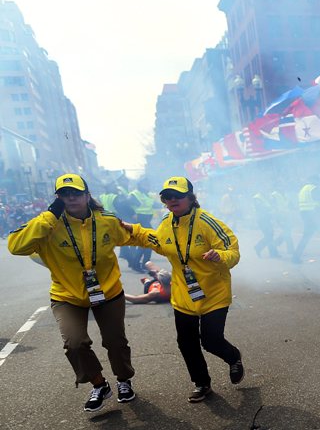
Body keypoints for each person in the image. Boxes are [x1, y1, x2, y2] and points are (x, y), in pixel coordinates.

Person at [7, 173, 145, 412]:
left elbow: (134, 235)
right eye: (64, 194)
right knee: (74, 344)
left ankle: (124, 381)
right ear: (58, 199)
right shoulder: (48, 223)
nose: (71, 198)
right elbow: (16, 246)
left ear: (87, 195)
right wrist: (50, 215)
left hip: (108, 291)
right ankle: (99, 384)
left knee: (115, 342)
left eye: (76, 193)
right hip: (66, 296)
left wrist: (169, 248)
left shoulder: (106, 220)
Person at [125, 176, 243, 403]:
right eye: (167, 197)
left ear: (190, 197)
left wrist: (221, 256)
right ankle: (201, 383)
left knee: (211, 341)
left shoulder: (207, 222)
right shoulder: (166, 223)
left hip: (214, 293)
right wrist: (133, 230)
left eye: (177, 196)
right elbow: (157, 241)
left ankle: (233, 356)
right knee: (186, 342)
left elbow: (233, 251)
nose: (172, 200)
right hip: (183, 294)